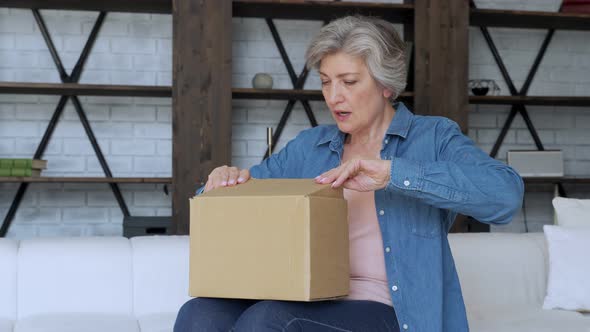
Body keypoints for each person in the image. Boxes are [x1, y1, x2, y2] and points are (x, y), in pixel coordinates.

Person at [174, 15, 524, 332]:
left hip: (390, 313)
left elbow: (506, 195)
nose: (334, 97)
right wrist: (219, 186)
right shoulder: (310, 146)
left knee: (268, 320)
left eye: (349, 81)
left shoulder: (433, 137)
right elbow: (240, 199)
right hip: (305, 299)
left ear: (386, 85)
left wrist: (393, 175)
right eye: (326, 82)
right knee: (198, 315)